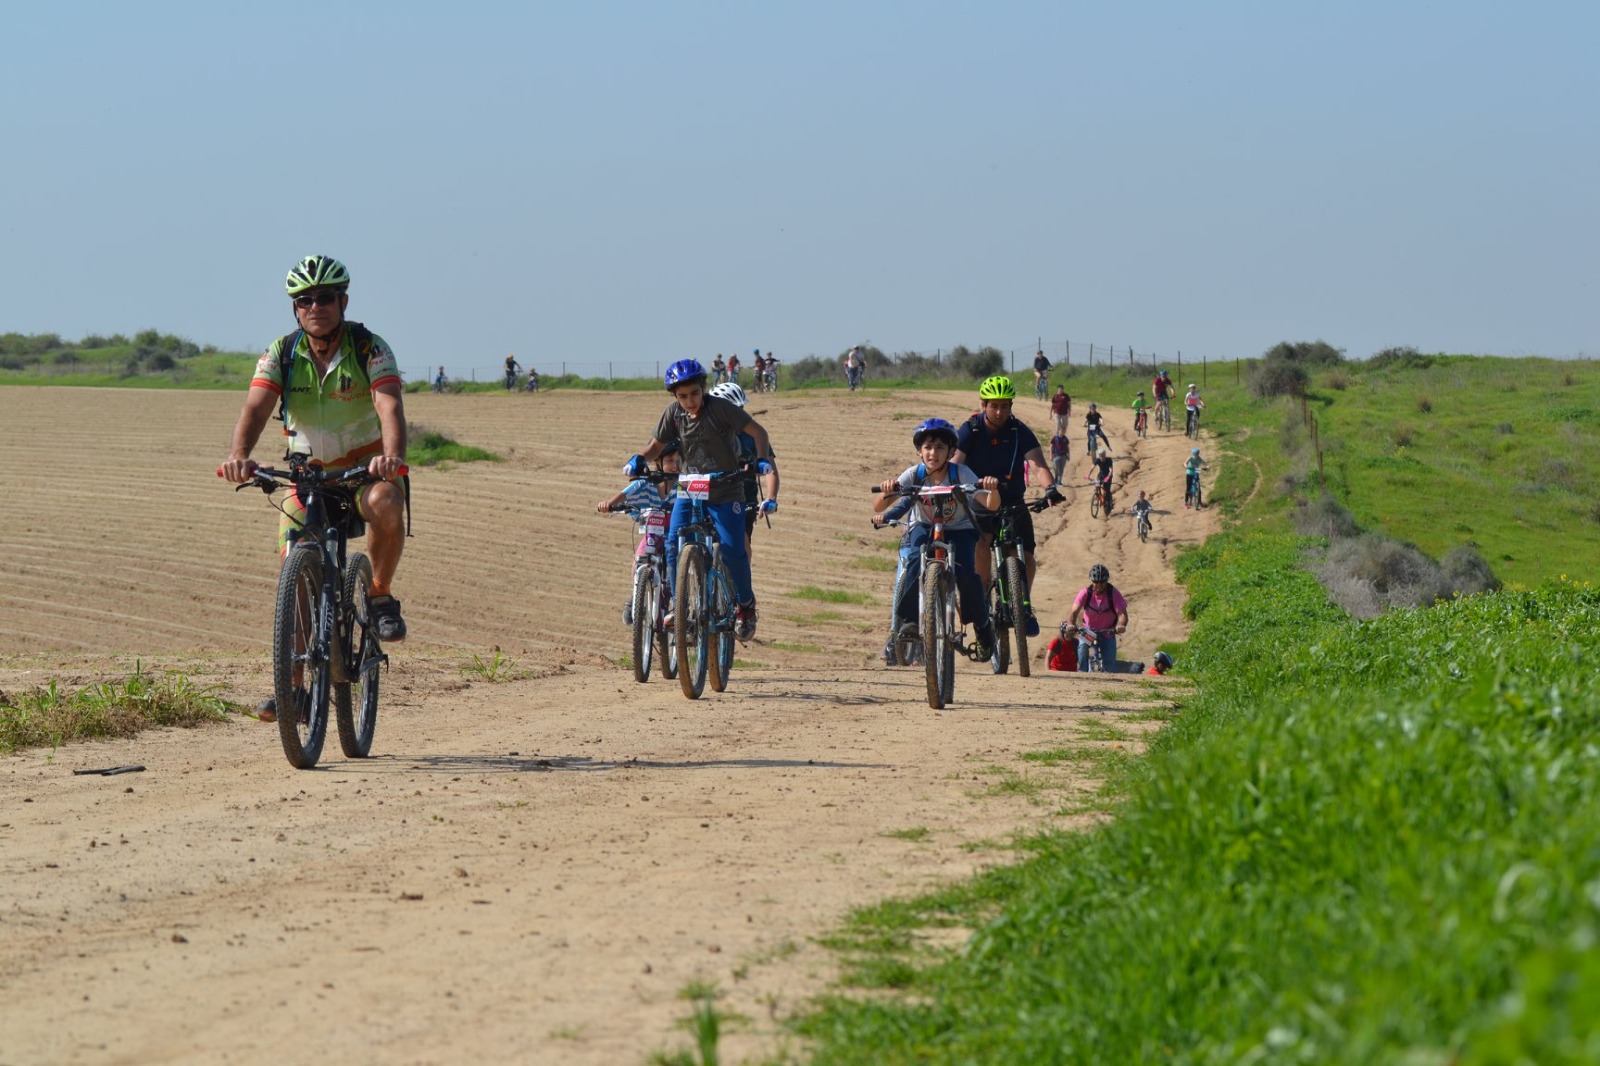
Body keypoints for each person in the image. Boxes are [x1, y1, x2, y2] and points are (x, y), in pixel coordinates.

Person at [220, 254, 410, 721]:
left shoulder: (370, 348)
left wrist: (390, 458)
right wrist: (239, 455)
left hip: (362, 471)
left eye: (325, 298)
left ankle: (381, 593)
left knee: (387, 501)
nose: (315, 306)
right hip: (307, 473)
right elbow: (256, 409)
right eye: (304, 300)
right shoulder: (281, 353)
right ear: (295, 309)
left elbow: (389, 407)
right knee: (295, 571)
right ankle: (296, 691)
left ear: (343, 301)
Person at [624, 359, 774, 641]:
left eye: (694, 394)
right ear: (674, 396)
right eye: (682, 396)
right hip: (689, 488)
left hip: (726, 488)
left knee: (732, 549)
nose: (689, 401)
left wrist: (762, 460)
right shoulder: (674, 414)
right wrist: (640, 458)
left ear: (703, 388)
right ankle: (675, 604)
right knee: (672, 541)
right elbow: (657, 444)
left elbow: (758, 432)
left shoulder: (721, 410)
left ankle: (745, 606)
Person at [874, 418, 1000, 661]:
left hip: (959, 530)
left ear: (951, 451)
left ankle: (983, 626)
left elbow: (990, 504)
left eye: (940, 448)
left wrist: (992, 489)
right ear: (919, 451)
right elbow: (879, 504)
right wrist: (888, 489)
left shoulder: (961, 473)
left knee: (967, 575)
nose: (933, 453)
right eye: (928, 447)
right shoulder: (914, 474)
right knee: (912, 562)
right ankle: (909, 622)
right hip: (923, 526)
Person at [952, 375, 1064, 637]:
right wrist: (958, 484)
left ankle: (1023, 605)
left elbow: (1036, 463)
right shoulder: (971, 429)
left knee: (1026, 557)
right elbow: (956, 462)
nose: (1000, 411)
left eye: (1005, 405)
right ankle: (981, 603)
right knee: (980, 542)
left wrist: (1050, 488)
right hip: (978, 498)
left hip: (1012, 500)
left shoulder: (1018, 431)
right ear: (983, 404)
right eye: (994, 405)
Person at [598, 444, 681, 625]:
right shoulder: (646, 483)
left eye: (678, 461)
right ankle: (636, 598)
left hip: (677, 537)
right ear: (658, 463)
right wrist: (609, 504)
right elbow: (625, 494)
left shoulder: (683, 486)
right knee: (639, 560)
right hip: (653, 534)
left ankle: (680, 606)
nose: (675, 465)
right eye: (669, 461)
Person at [708, 382, 779, 559]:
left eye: (739, 408)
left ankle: (741, 582)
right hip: (708, 495)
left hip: (744, 498)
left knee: (741, 543)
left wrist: (771, 498)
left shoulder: (752, 436)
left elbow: (770, 470)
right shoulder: (705, 432)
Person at [1067, 564, 1128, 672]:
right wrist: (1071, 623)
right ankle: (1082, 673)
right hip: (1089, 631)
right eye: (1095, 582)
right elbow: (1074, 611)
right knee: (1082, 647)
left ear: (1106, 581)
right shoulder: (1085, 593)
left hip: (1108, 632)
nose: (1099, 585)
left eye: (1102, 582)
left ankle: (1110, 684)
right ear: (1091, 580)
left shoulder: (1113, 593)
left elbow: (1122, 615)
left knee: (1110, 666)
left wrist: (1121, 625)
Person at [1088, 448, 1115, 513]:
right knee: (1097, 483)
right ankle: (1097, 495)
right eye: (1100, 455)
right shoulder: (1097, 460)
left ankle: (1108, 503)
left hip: (1108, 476)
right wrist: (1088, 475)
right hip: (1101, 475)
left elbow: (1111, 470)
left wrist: (1108, 477)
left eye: (1103, 455)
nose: (1102, 456)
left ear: (1105, 455)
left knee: (1106, 490)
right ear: (1099, 455)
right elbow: (1092, 467)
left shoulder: (1109, 460)